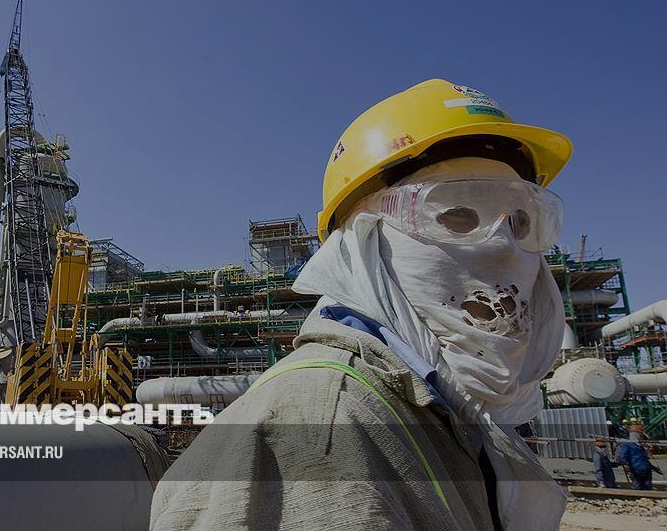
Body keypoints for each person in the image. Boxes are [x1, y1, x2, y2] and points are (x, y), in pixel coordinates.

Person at [151, 79, 573, 530]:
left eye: (521, 221)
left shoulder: (451, 413)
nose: (504, 245)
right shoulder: (319, 429)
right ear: (363, 237)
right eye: (457, 215)